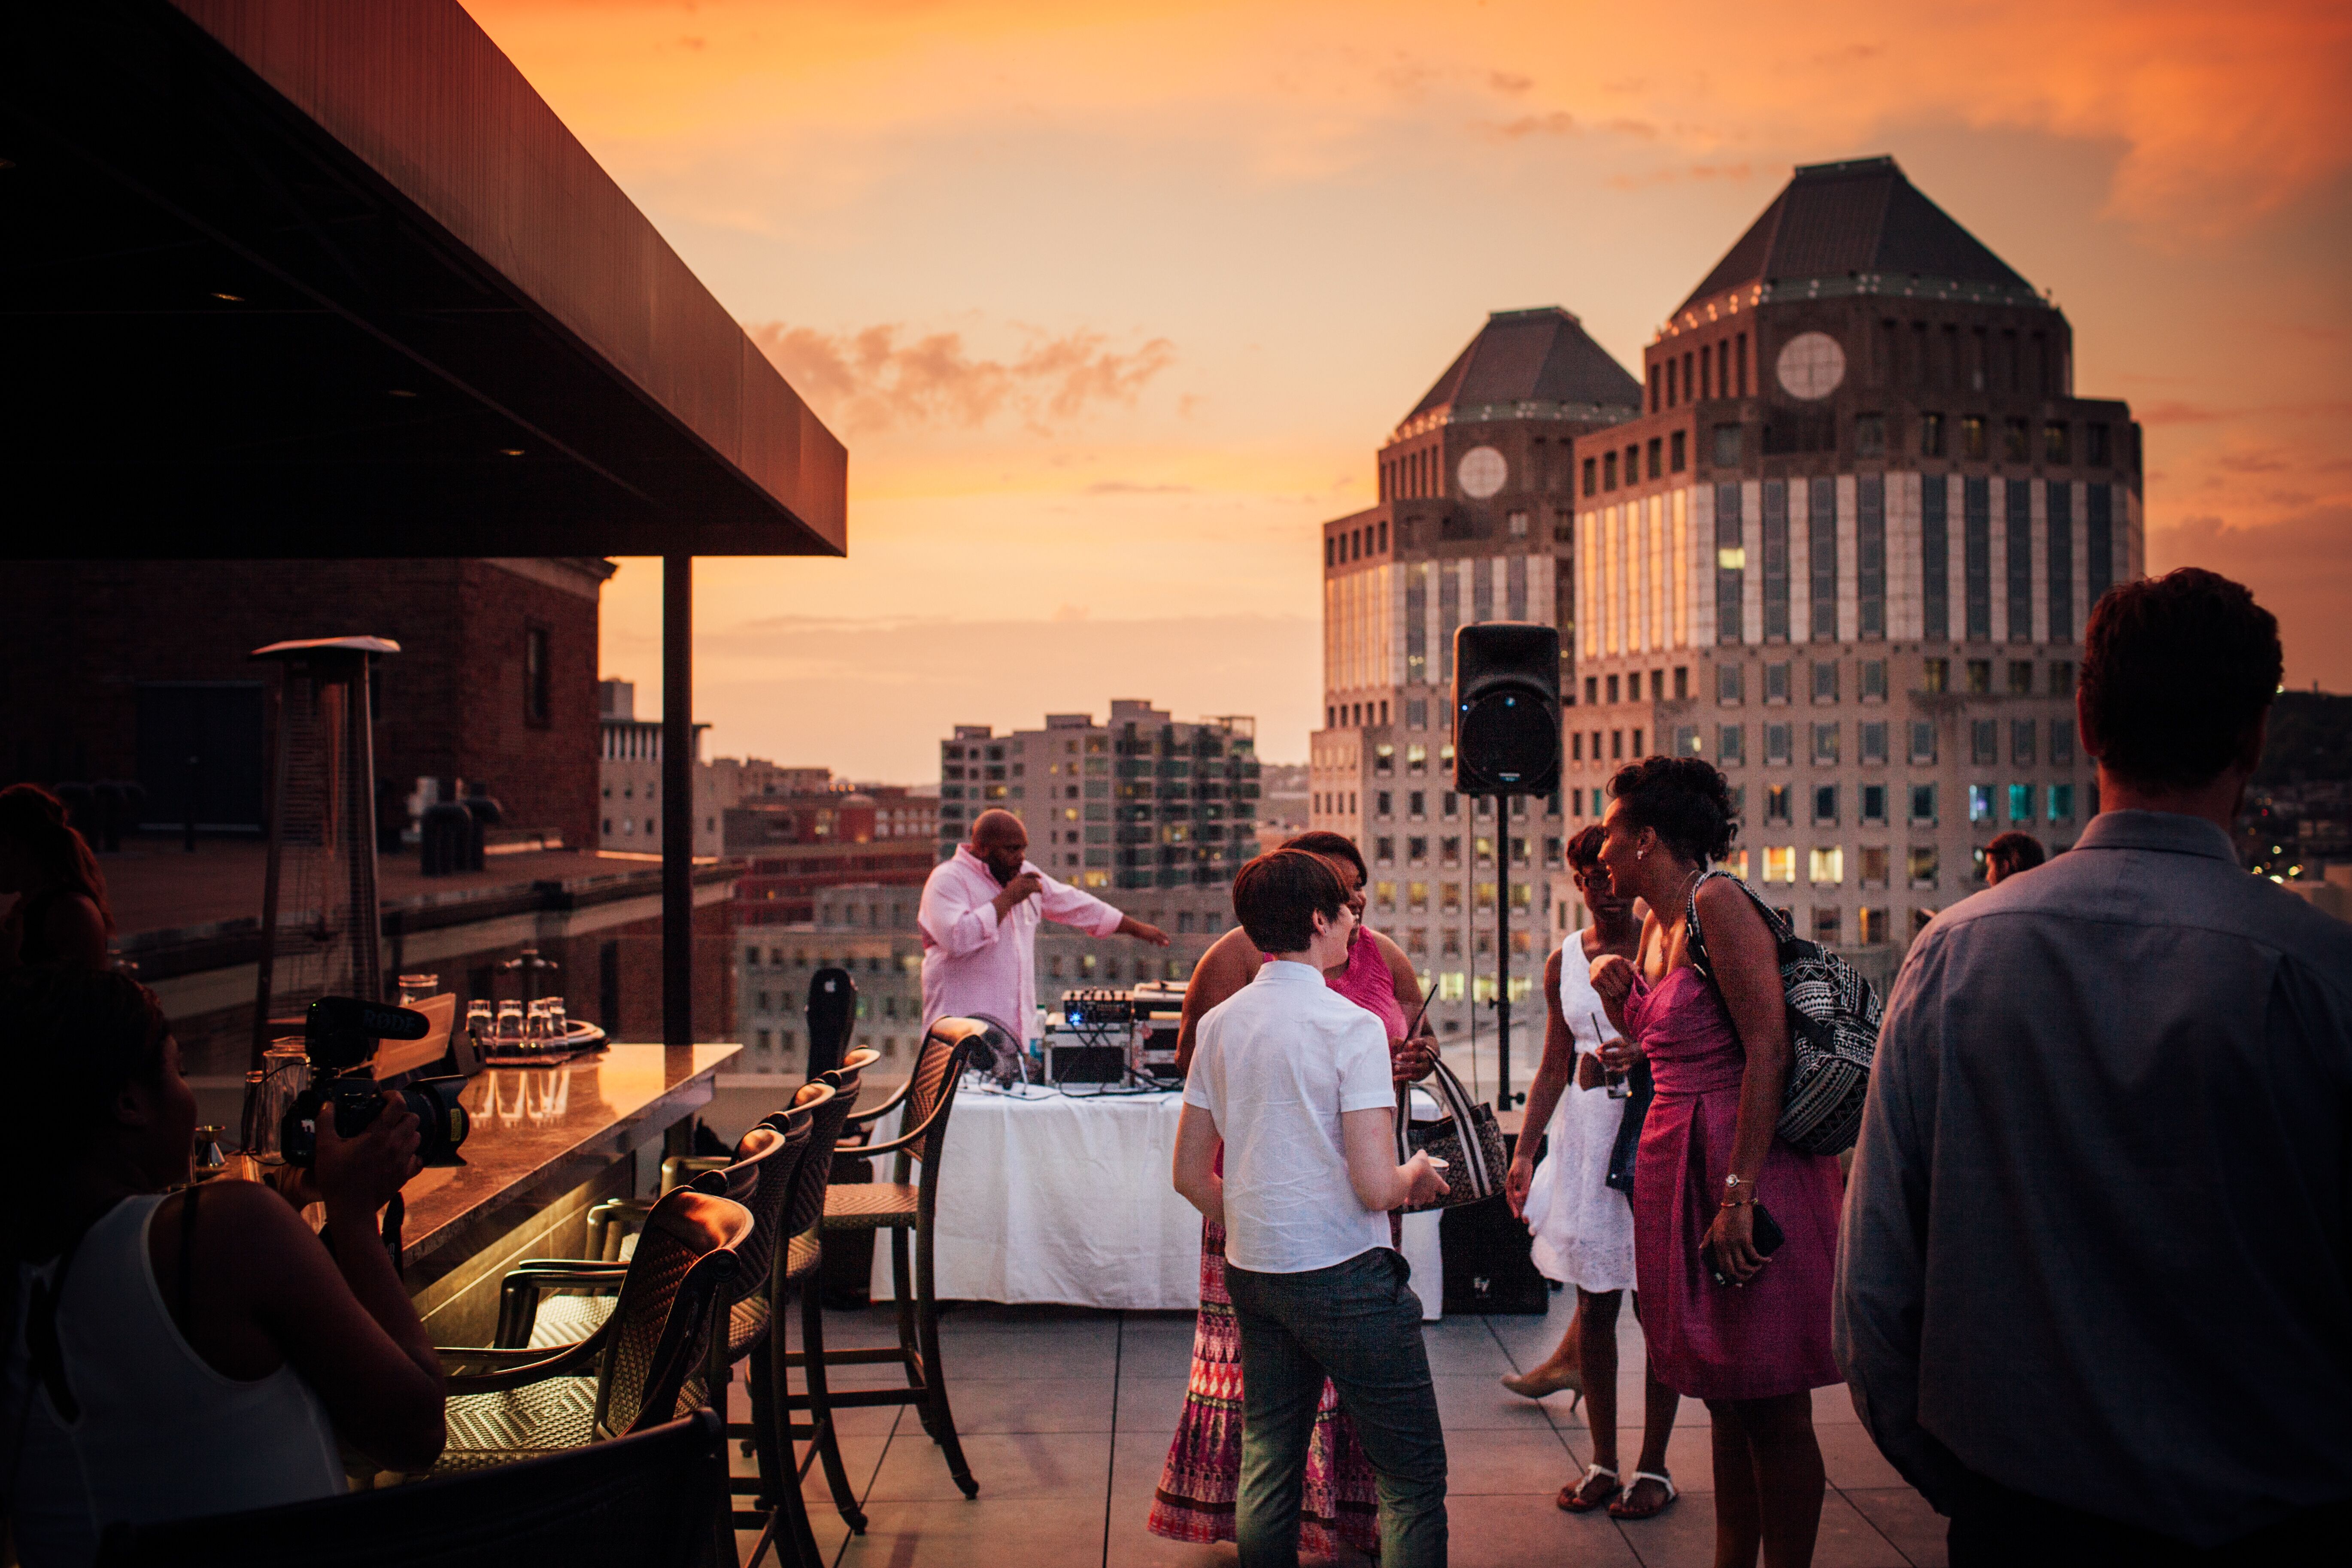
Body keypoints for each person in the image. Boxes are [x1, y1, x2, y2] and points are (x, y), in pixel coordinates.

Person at [1837, 568, 2352, 1565]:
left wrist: (1970, 1489)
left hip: (2019, 1515)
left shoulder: (1950, 956)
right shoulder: (2319, 973)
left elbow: (1872, 1298)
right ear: (2254, 734)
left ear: (2083, 718)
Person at [0, 971, 446, 1567]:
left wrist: (293, 1195)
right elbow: (414, 1432)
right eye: (179, 1071)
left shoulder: (32, 1272)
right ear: (129, 1102)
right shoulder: (227, 1231)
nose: (187, 1095)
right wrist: (355, 1214)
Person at [1149, 830, 1435, 1556]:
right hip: (1347, 1275)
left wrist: (1257, 1219)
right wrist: (1417, 1174)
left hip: (1255, 1272)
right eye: (1344, 909)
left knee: (1267, 1464)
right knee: (1411, 1481)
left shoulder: (1220, 1023)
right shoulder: (1352, 1027)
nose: (1353, 921)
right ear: (1315, 919)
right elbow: (1375, 1183)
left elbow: (1188, 1174)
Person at [1589, 755, 1845, 1568]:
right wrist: (1615, 1000)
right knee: (1728, 1398)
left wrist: (1738, 1193)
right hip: (1679, 1157)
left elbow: (1766, 1047)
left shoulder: (1715, 901)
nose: (1599, 850)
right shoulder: (1657, 924)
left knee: (1771, 1399)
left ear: (1648, 839)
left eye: (1611, 833)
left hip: (1739, 1161)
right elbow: (1678, 1040)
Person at [1502, 824, 1682, 1519]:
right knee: (1593, 1304)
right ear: (1575, 883)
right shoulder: (1563, 961)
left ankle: (1655, 1466)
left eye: (1606, 873)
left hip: (1648, 1139)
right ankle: (1603, 1460)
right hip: (1584, 1139)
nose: (1600, 888)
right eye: (1586, 877)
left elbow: (1690, 1038)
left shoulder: (1662, 943)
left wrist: (1640, 1051)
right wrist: (1523, 1151)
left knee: (1654, 1305)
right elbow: (1552, 1062)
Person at [916, 808, 1168, 1041]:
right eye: (1012, 850)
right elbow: (957, 938)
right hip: (959, 1044)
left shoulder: (1022, 874)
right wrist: (1007, 899)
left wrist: (1138, 929)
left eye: (1023, 849)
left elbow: (1075, 904)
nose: (1020, 858)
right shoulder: (947, 880)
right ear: (981, 847)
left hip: (1014, 1043)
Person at [0, 785, 112, 973]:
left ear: (6, 843)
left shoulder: (70, 913)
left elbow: (79, 998)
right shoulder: (33, 905)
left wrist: (8, 961)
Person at [1980, 829, 2045, 886]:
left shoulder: (1996, 900)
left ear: (2004, 867)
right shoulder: (2050, 897)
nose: (1988, 877)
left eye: (1990, 867)